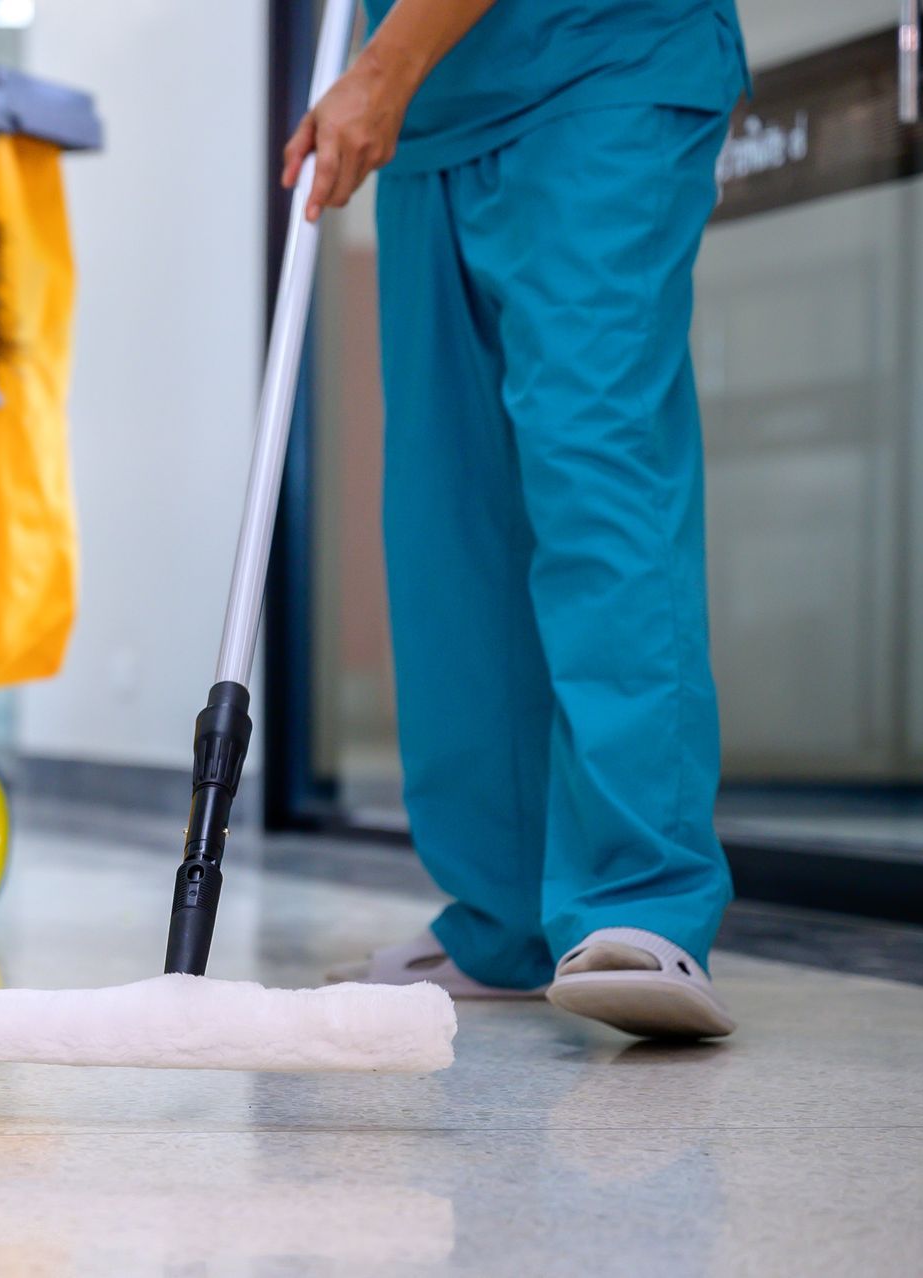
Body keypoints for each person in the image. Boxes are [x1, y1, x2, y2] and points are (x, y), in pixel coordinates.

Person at [298, 0, 749, 1038]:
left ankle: (642, 903)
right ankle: (503, 922)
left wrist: (381, 67)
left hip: (600, 63)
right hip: (430, 117)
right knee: (450, 528)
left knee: (597, 470)